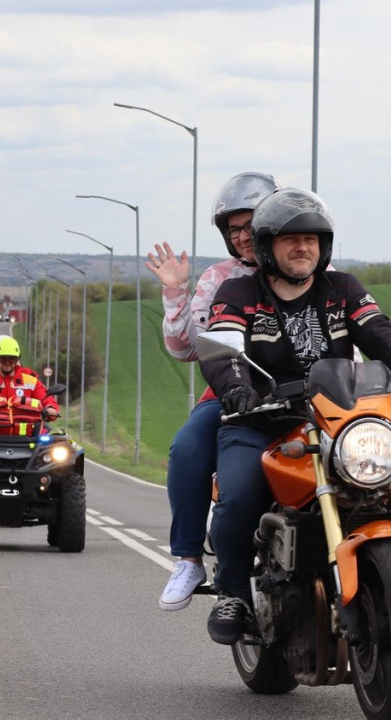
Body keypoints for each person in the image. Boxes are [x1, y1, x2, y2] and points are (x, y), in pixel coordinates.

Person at [198, 187, 391, 645]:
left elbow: (381, 331)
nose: (303, 247)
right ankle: (232, 592)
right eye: (291, 239)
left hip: (337, 421)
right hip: (260, 422)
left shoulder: (343, 288)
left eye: (312, 238)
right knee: (237, 493)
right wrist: (235, 387)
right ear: (266, 246)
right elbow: (222, 345)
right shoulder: (238, 292)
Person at [145, 171, 279, 611]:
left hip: (310, 398)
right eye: (233, 229)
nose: (242, 236)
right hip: (232, 395)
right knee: (187, 448)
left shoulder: (315, 269)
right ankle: (187, 558)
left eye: (251, 224)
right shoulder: (220, 278)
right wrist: (174, 292)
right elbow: (186, 347)